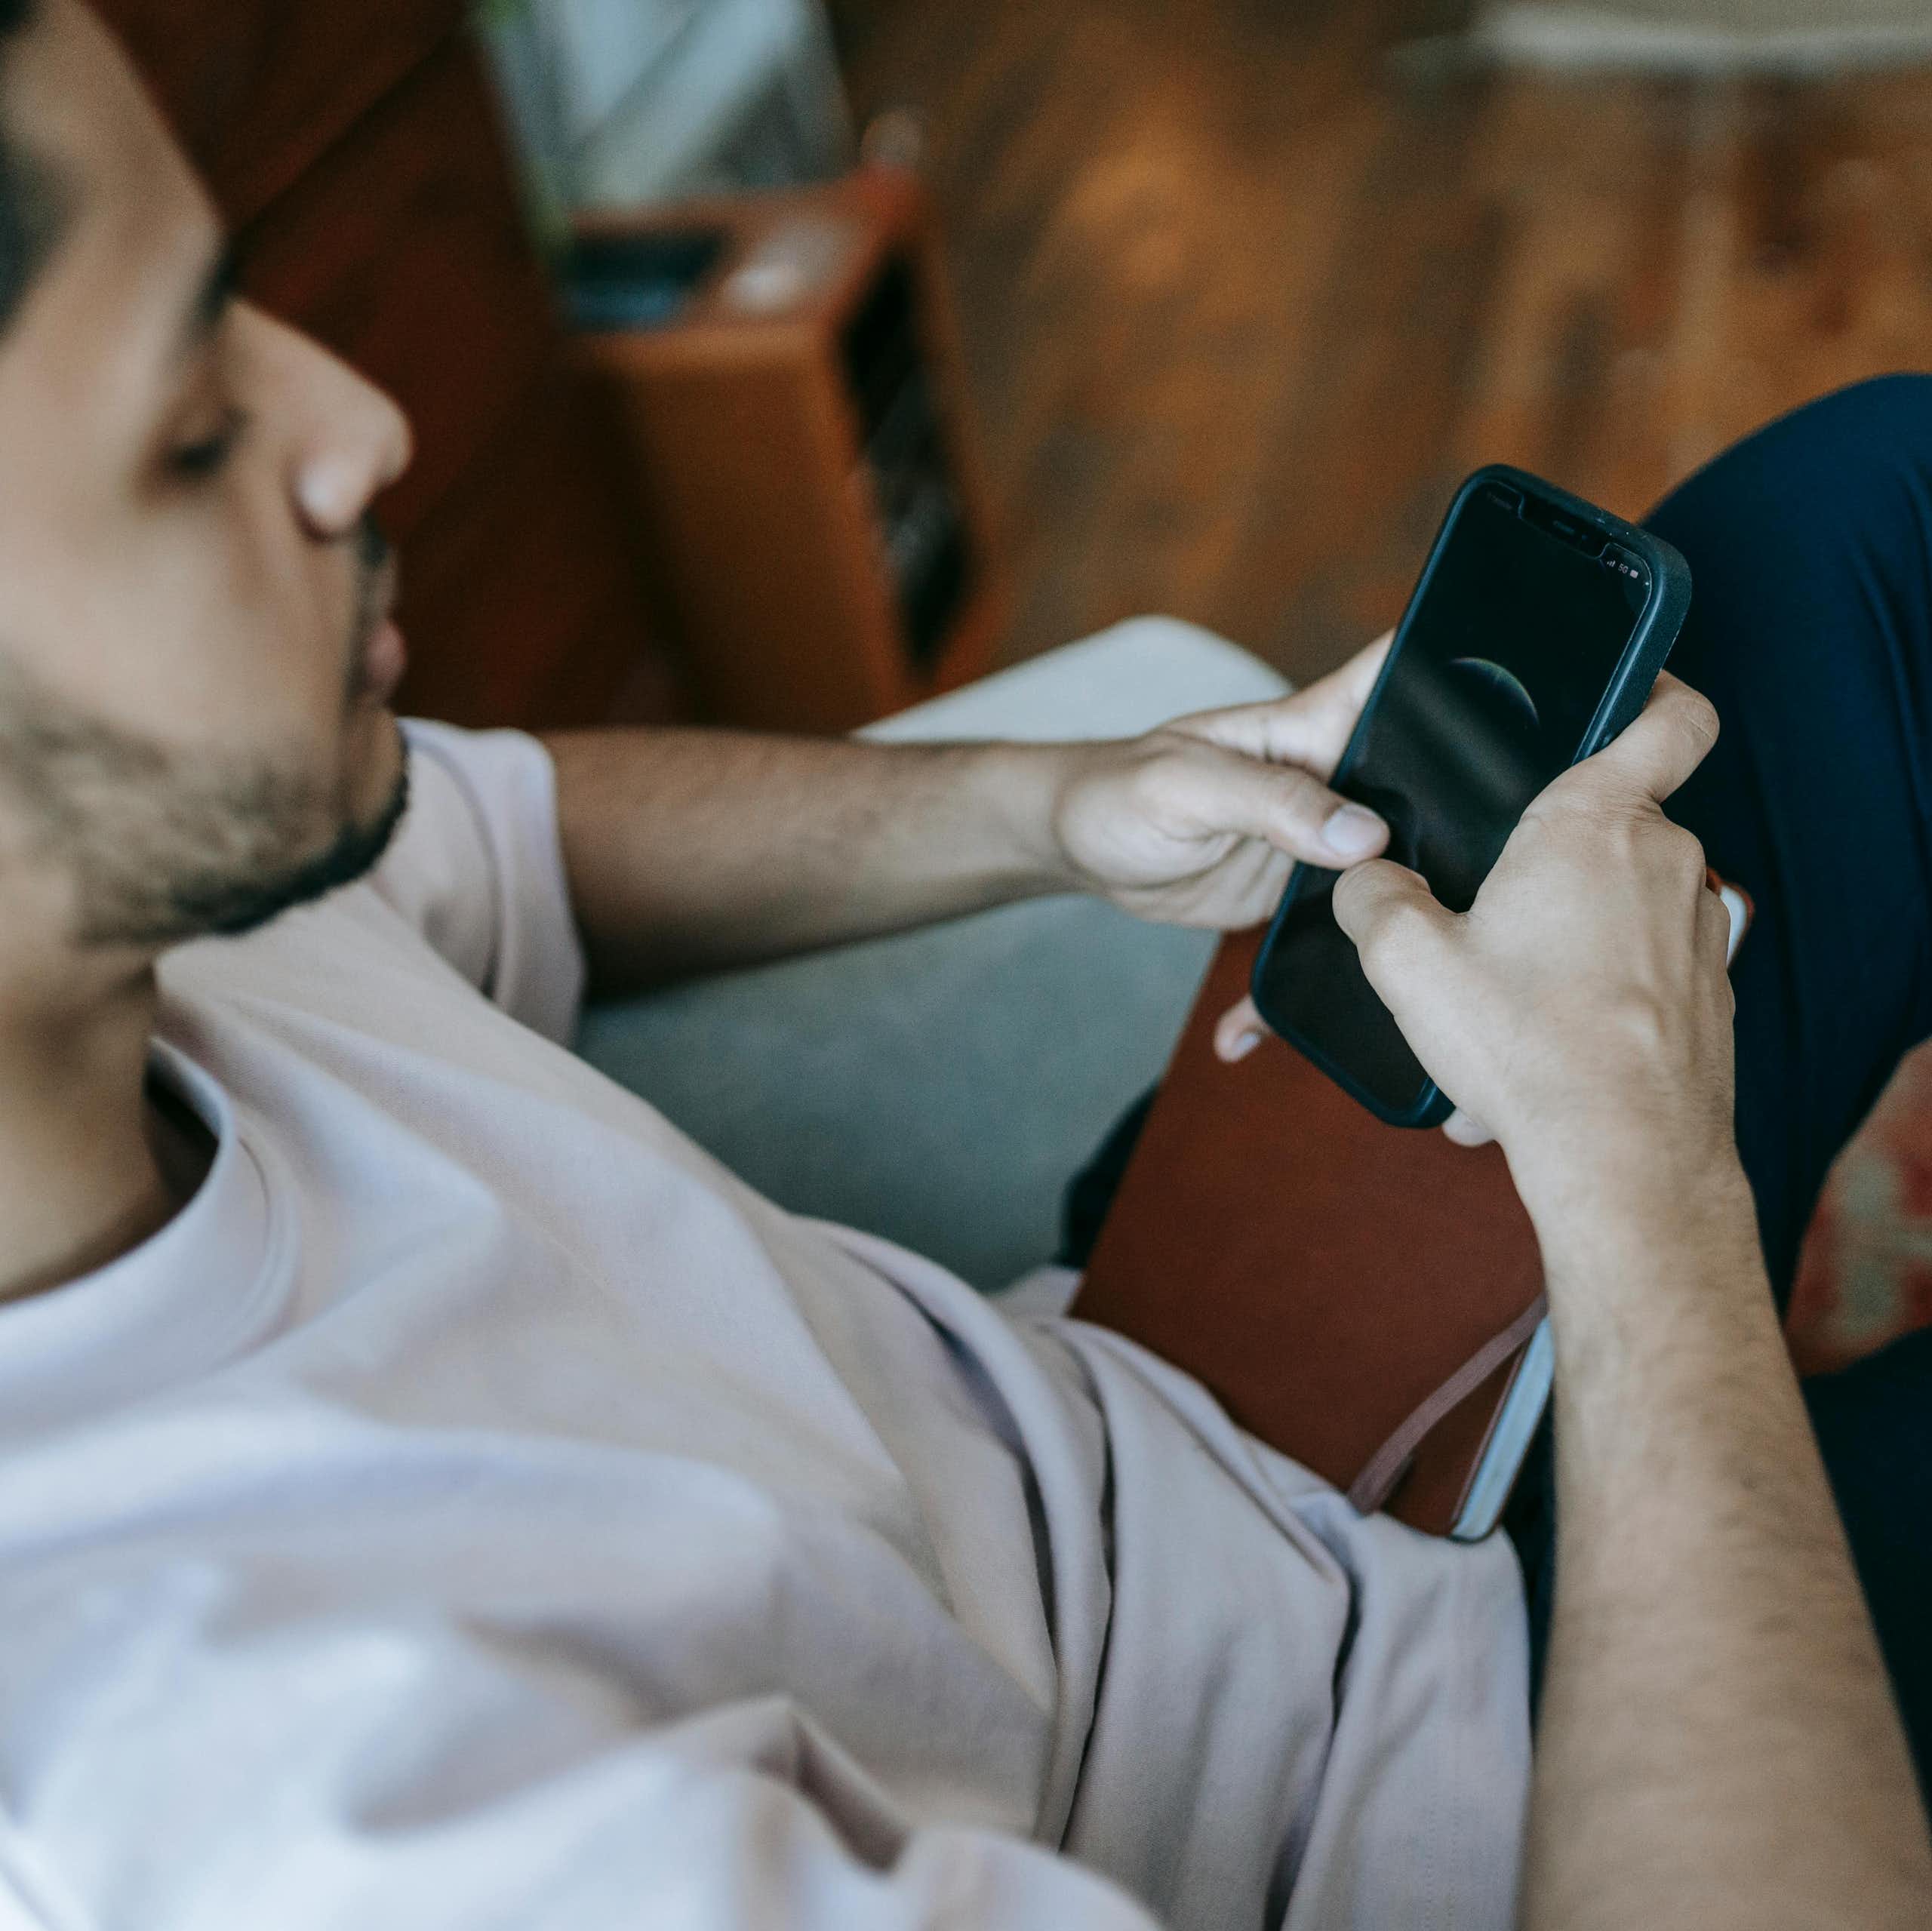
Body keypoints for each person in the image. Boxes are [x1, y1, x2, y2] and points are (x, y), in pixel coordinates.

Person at [0, 2, 1923, 1927]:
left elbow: (495, 829)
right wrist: (1640, 1175)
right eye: (190, 435)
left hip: (1169, 1382)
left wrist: (1051, 804)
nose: (357, 424)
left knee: (1883, 506)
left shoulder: (186, 901)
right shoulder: (314, 1812)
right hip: (1455, 1823)